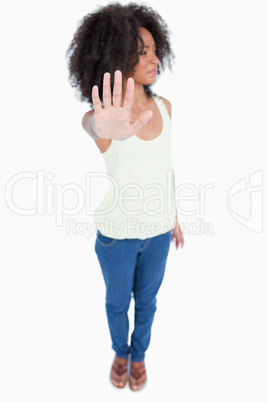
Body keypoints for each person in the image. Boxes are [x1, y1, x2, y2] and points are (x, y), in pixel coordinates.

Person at [66, 2, 184, 391]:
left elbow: (164, 168)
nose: (153, 59)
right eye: (141, 52)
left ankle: (141, 354)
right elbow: (90, 123)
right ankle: (121, 351)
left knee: (148, 305)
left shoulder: (164, 108)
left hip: (159, 234)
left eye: (153, 49)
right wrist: (99, 123)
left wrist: (175, 218)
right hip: (117, 235)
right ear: (117, 58)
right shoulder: (106, 118)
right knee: (118, 303)